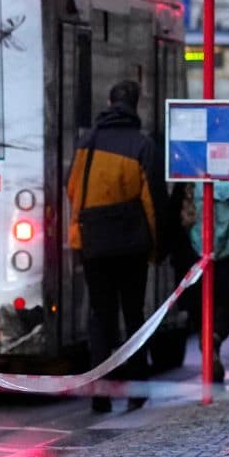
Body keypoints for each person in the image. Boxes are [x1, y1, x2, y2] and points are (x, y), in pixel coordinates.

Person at [66, 81, 166, 413]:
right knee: (133, 314)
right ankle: (136, 389)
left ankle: (100, 393)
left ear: (110, 102)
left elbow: (72, 189)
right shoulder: (142, 145)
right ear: (135, 105)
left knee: (100, 316)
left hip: (94, 242)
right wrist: (156, 247)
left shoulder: (87, 142)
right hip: (131, 245)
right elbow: (152, 203)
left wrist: (80, 233)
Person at [173, 180, 229, 383]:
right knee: (224, 308)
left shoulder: (186, 180)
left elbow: (173, 219)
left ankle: (207, 341)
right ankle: (214, 338)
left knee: (199, 310)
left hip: (193, 260)